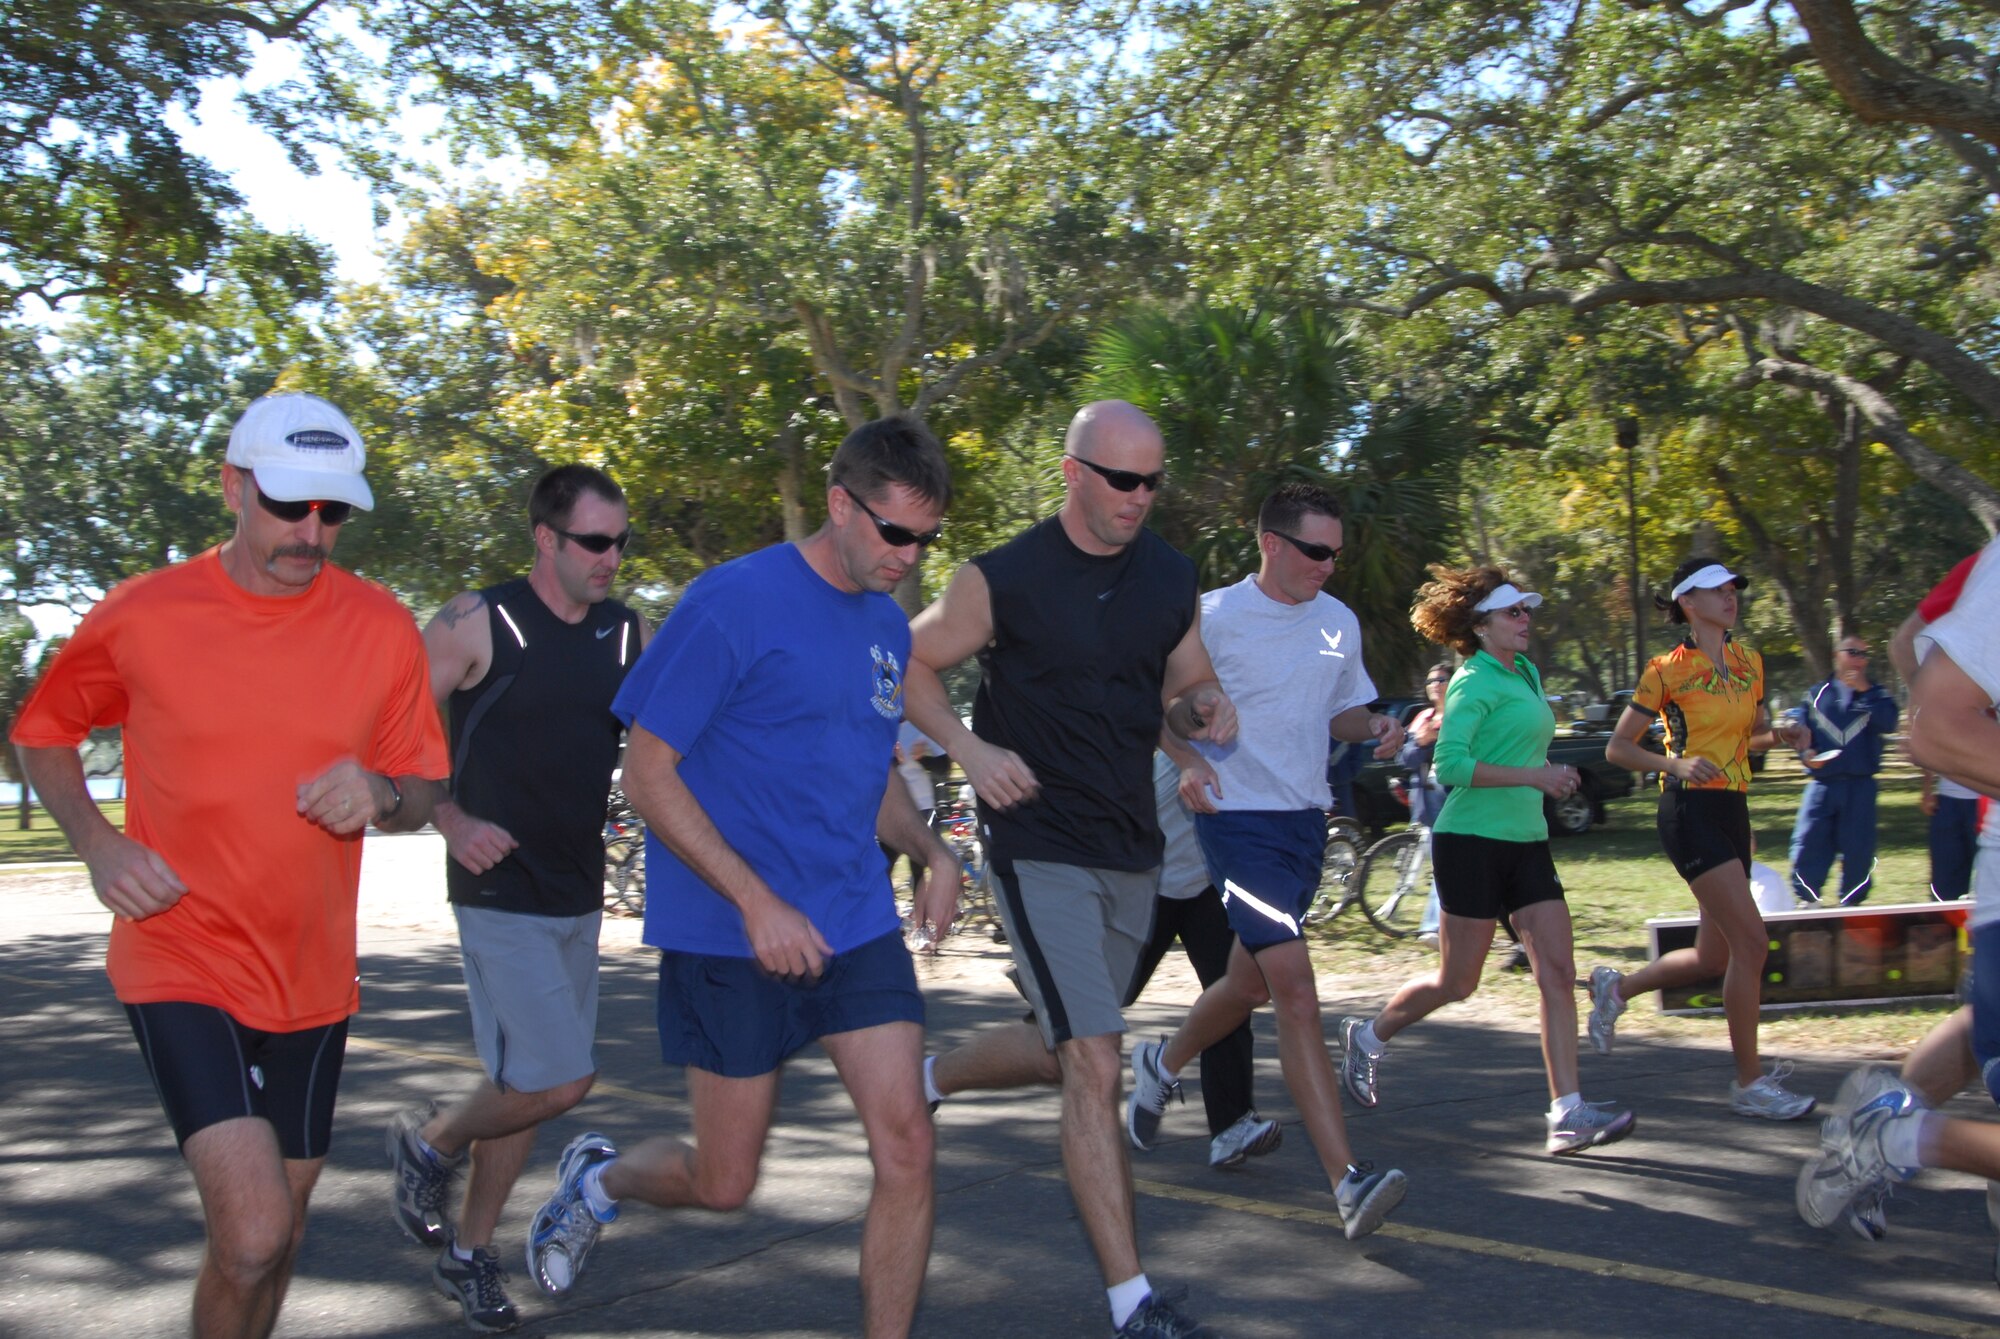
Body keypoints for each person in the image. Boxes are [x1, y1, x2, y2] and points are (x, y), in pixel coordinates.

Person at [10, 391, 448, 1339]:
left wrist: (379, 792)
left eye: (331, 511)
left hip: (313, 977)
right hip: (181, 953)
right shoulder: (143, 613)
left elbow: (422, 789)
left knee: (274, 1241)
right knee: (253, 1229)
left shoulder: (381, 627)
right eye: (290, 505)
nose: (311, 532)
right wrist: (100, 843)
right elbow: (44, 732)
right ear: (233, 489)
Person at [519, 416, 960, 1339]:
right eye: (895, 533)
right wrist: (755, 899)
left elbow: (870, 769)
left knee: (909, 1143)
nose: (909, 558)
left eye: (927, 539)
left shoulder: (885, 624)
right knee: (724, 1183)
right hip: (730, 931)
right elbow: (646, 772)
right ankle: (599, 1180)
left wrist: (935, 850)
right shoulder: (733, 601)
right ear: (841, 504)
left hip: (852, 922)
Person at [905, 399, 1236, 1339]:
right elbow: (911, 664)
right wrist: (969, 750)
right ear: (1074, 473)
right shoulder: (1002, 577)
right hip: (1034, 838)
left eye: (1153, 481)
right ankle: (1133, 1300)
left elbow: (1179, 683)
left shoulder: (1170, 575)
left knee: (1062, 1041)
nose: (1141, 497)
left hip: (1132, 845)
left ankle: (930, 1077)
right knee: (1095, 1057)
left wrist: (1203, 720)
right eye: (1123, 480)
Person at [384, 465, 646, 1331]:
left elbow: (669, 743)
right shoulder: (475, 621)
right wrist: (450, 818)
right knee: (561, 1077)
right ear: (546, 538)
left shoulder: (622, 636)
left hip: (576, 891)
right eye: (595, 541)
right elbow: (391, 735)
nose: (612, 557)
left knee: (525, 1083)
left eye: (620, 541)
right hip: (495, 887)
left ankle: (467, 1254)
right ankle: (429, 1142)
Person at [1127, 482, 1412, 1235]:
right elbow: (1157, 705)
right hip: (1237, 822)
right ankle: (1348, 1179)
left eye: (1335, 553)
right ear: (1272, 544)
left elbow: (1338, 712)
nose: (1327, 565)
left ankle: (1161, 1062)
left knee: (1247, 981)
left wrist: (1375, 725)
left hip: (1303, 826)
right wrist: (1187, 757)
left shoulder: (1337, 623)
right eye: (1315, 551)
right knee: (1294, 987)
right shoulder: (1214, 616)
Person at [1337, 566, 1635, 1156]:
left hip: (1526, 842)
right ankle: (1369, 1034)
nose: (1526, 620)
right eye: (1513, 612)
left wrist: (1555, 777)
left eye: (1527, 610)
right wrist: (1535, 775)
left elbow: (1522, 747)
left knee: (1555, 972)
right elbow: (1449, 766)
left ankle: (1566, 1111)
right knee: (1458, 981)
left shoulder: (1523, 670)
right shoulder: (1471, 682)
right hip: (1470, 842)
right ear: (1480, 625)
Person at [1799, 537, 2000, 1251]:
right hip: (1980, 805)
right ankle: (1895, 1133)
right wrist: (1979, 724)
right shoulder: (1988, 570)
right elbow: (1916, 652)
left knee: (1979, 1020)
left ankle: (1889, 1127)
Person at [1586, 558, 1816, 1119]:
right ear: (1689, 601)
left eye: (1735, 587)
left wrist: (1780, 735)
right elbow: (1619, 749)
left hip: (1734, 811)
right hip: (1687, 812)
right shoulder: (1665, 669)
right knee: (1752, 945)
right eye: (1718, 589)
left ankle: (1615, 992)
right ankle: (1749, 1083)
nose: (1731, 596)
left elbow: (1748, 738)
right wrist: (1675, 763)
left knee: (1715, 956)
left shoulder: (1750, 662)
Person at [1128, 749, 1281, 1169]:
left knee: (1231, 998)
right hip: (1149, 884)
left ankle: (1231, 1126)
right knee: (1110, 991)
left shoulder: (1262, 746)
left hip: (1209, 888)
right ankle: (1046, 995)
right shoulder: (1179, 750)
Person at [1892, 560, 1984, 903]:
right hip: (1957, 796)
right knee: (1947, 889)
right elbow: (1902, 644)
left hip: (1983, 796)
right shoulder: (1984, 566)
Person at [1784, 634, 1898, 904]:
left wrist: (1864, 689)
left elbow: (1889, 722)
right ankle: (1808, 899)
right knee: (1810, 840)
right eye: (1853, 652)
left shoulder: (1877, 694)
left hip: (1860, 784)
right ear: (1837, 655)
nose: (1859, 660)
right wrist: (1806, 754)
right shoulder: (1817, 694)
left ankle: (1852, 900)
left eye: (1864, 654)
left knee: (1859, 845)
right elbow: (1801, 732)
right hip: (1823, 783)